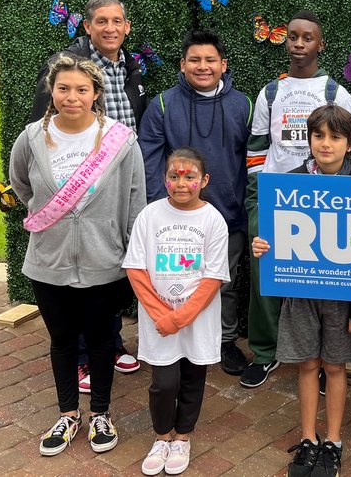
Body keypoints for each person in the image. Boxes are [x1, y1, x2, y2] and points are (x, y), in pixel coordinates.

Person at [9, 54, 146, 457]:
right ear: (52, 92)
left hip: (104, 259)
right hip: (48, 261)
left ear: (96, 94)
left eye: (81, 89)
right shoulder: (32, 136)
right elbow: (22, 185)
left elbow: (137, 198)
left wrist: (125, 247)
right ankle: (68, 413)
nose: (72, 97)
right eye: (63, 88)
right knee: (63, 341)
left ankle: (101, 412)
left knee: (103, 342)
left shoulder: (121, 141)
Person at [29, 0, 147, 389]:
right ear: (88, 26)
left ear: (126, 26)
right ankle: (80, 358)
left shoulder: (131, 68)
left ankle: (109, 345)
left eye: (117, 21)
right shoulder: (69, 68)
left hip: (112, 184)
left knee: (107, 268)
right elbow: (36, 143)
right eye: (101, 22)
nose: (110, 28)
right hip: (73, 183)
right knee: (76, 276)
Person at [251, 104, 351, 477]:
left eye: (335, 137)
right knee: (307, 364)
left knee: (335, 367)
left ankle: (333, 441)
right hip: (300, 295)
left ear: (350, 143)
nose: (326, 143)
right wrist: (262, 246)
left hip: (343, 298)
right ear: (308, 138)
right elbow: (274, 237)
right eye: (318, 135)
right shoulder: (290, 181)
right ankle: (308, 438)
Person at [243, 10, 351, 388]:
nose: (298, 44)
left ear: (320, 44)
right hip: (276, 197)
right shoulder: (271, 92)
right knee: (267, 271)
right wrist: (257, 197)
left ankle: (326, 360)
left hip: (325, 201)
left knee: (322, 278)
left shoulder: (334, 93)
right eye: (292, 36)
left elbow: (350, 155)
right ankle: (265, 351)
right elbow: (258, 149)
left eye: (307, 37)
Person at [138, 29, 252, 376]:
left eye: (210, 60)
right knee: (174, 279)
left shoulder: (242, 105)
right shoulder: (161, 104)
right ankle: (175, 338)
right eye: (195, 60)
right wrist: (164, 211)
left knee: (224, 283)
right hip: (176, 216)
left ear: (223, 64)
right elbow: (150, 162)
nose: (203, 67)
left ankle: (225, 341)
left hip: (226, 216)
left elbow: (249, 161)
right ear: (183, 64)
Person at [124, 148, 229, 476]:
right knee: (164, 382)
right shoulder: (150, 215)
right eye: (174, 176)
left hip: (197, 320)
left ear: (204, 180)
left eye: (189, 176)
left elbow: (213, 276)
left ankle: (182, 437)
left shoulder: (212, 219)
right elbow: (136, 269)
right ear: (164, 178)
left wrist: (182, 318)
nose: (181, 183)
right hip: (160, 322)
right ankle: (162, 436)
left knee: (193, 377)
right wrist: (162, 316)